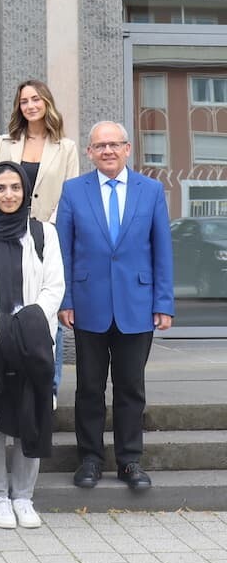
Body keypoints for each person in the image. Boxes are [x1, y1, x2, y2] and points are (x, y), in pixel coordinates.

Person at [57, 121, 173, 492]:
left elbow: (162, 251)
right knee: (89, 387)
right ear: (89, 152)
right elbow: (63, 250)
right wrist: (65, 299)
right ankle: (89, 460)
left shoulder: (151, 190)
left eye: (114, 144)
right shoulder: (73, 191)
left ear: (127, 149)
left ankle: (129, 461)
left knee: (130, 388)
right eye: (99, 146)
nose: (107, 151)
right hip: (87, 304)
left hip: (137, 305)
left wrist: (163, 303)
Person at [0, 162, 64, 530]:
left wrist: (27, 328)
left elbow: (54, 287)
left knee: (30, 416)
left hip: (34, 342)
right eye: (1, 188)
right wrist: (4, 331)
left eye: (15, 187)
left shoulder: (43, 234)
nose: (8, 194)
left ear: (25, 191)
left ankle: (23, 495)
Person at [0, 79, 80, 407]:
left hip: (48, 234)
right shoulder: (5, 142)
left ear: (46, 102)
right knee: (11, 305)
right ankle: (13, 377)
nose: (30, 105)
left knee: (47, 309)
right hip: (8, 233)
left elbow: (70, 192)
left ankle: (50, 385)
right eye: (24, 101)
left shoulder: (65, 146)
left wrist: (48, 229)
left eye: (35, 99)